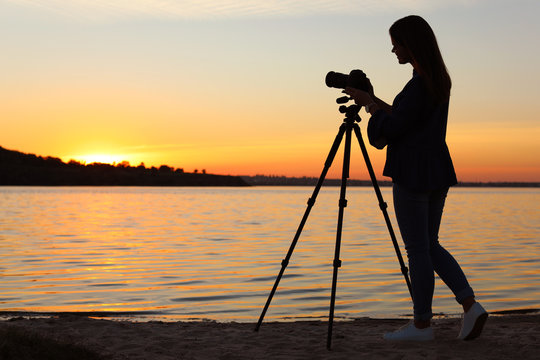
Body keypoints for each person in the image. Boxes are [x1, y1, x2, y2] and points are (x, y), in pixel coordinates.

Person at [344, 15, 488, 341]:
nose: (392, 48)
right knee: (429, 245)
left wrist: (370, 108)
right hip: (435, 170)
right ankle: (470, 306)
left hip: (413, 173)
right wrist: (373, 100)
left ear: (410, 44)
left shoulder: (420, 84)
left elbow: (391, 130)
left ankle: (422, 325)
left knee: (418, 250)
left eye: (396, 42)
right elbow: (405, 118)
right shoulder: (434, 79)